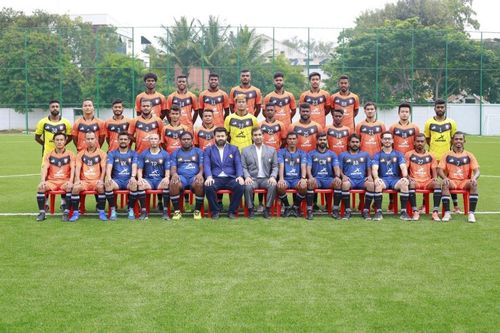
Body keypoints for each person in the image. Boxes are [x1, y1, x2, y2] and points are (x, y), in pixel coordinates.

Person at [424, 99, 461, 213]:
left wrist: (447, 150)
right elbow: (427, 138)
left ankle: (455, 206)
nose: (440, 109)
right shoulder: (429, 123)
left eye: (442, 107)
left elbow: (453, 138)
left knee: (449, 180)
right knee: (428, 181)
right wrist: (434, 149)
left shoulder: (451, 122)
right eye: (438, 107)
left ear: (445, 108)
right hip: (432, 157)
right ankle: (425, 206)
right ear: (434, 108)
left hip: (447, 158)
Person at [203, 127, 245, 219]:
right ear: (214, 137)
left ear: (226, 136)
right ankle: (215, 211)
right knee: (208, 186)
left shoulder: (234, 149)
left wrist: (240, 176)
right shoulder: (208, 150)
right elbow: (206, 165)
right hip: (215, 177)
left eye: (222, 136)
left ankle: (232, 211)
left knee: (240, 186)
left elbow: (238, 163)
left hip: (230, 178)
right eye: (218, 136)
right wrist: (209, 177)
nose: (220, 138)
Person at [438, 131, 480, 223]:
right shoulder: (447, 155)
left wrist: (474, 178)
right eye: (456, 139)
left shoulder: (469, 155)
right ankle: (447, 213)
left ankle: (471, 213)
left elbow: (477, 171)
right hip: (452, 181)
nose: (458, 141)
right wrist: (444, 177)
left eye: (460, 139)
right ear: (452, 141)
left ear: (464, 141)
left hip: (465, 181)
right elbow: (439, 169)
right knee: (445, 184)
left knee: (474, 184)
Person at [370, 131, 411, 221]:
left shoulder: (398, 154)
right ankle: (379, 212)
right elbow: (374, 169)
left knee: (404, 183)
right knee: (378, 184)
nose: (387, 140)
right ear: (382, 140)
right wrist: (376, 178)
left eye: (389, 139)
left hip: (395, 180)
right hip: (383, 179)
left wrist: (404, 177)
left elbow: (403, 167)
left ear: (392, 140)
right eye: (385, 139)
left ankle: (404, 212)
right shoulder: (378, 155)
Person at [35, 132, 75, 222]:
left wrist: (71, 181)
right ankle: (42, 213)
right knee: (40, 188)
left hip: (65, 181)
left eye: (61, 140)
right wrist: (42, 181)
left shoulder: (71, 154)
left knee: (69, 187)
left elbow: (73, 169)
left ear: (65, 141)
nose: (59, 142)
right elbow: (44, 168)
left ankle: (66, 213)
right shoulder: (49, 155)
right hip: (51, 182)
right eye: (57, 140)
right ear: (54, 141)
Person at [69, 131, 107, 222]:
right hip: (84, 181)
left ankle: (101, 212)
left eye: (92, 139)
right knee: (75, 188)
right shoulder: (80, 154)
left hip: (96, 180)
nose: (90, 141)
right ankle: (75, 213)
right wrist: (77, 180)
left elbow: (104, 168)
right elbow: (77, 168)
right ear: (85, 140)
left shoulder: (102, 154)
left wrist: (101, 180)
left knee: (101, 187)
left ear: (96, 140)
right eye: (88, 139)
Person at [241, 127, 278, 219]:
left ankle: (267, 209)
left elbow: (275, 166)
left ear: (263, 136)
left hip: (266, 178)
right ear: (252, 137)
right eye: (255, 135)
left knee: (273, 185)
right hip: (253, 179)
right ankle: (250, 209)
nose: (258, 137)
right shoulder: (245, 150)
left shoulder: (271, 150)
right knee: (247, 186)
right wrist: (247, 177)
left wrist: (273, 177)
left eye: (259, 135)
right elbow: (244, 167)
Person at [405, 133, 441, 221]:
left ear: (425, 142)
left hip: (427, 181)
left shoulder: (431, 155)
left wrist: (435, 178)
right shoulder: (409, 154)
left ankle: (435, 212)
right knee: (410, 184)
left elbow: (434, 169)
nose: (420, 143)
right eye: (418, 141)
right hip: (415, 181)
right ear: (414, 143)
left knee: (437, 184)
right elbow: (404, 169)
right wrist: (408, 177)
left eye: (422, 141)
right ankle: (415, 211)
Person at [169, 132, 205, 220]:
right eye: (184, 139)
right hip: (182, 178)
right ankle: (177, 211)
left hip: (194, 177)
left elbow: (202, 166)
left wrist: (200, 174)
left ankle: (197, 211)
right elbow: (173, 167)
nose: (186, 141)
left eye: (188, 139)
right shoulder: (175, 153)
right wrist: (174, 174)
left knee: (199, 182)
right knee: (174, 182)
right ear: (180, 141)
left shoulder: (198, 151)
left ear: (192, 140)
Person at [305, 132, 341, 220]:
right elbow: (308, 167)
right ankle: (310, 210)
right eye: (320, 140)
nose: (322, 141)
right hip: (317, 179)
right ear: (317, 141)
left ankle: (335, 210)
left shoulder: (332, 154)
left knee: (338, 183)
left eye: (324, 140)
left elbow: (336, 167)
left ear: (327, 141)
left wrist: (337, 176)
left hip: (328, 179)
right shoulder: (311, 154)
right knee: (310, 183)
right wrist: (310, 177)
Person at [104, 132, 138, 220]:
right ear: (118, 140)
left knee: (134, 184)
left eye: (125, 139)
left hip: (128, 180)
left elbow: (134, 165)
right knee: (108, 184)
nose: (123, 141)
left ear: (129, 141)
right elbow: (109, 166)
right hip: (117, 181)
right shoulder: (112, 153)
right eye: (121, 139)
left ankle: (130, 209)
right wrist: (108, 177)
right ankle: (113, 210)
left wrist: (133, 177)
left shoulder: (133, 153)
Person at [136, 133, 171, 220]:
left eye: (155, 139)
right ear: (149, 141)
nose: (153, 141)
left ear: (159, 141)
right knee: (140, 184)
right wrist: (140, 178)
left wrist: (167, 178)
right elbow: (139, 169)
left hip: (160, 180)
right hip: (149, 180)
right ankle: (144, 212)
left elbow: (167, 169)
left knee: (167, 184)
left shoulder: (165, 154)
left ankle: (165, 212)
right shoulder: (143, 154)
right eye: (151, 139)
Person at [338, 134, 372, 220]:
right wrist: (343, 176)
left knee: (371, 185)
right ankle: (348, 211)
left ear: (360, 143)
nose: (355, 144)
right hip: (350, 180)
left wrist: (370, 176)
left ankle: (365, 210)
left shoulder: (365, 155)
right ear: (349, 143)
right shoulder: (342, 155)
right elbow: (339, 169)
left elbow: (369, 168)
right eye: (353, 142)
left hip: (361, 180)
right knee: (345, 184)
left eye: (357, 142)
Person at [277, 132, 308, 217]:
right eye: (290, 139)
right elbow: (281, 165)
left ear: (297, 140)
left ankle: (295, 207)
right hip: (286, 179)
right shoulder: (281, 152)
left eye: (294, 139)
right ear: (287, 140)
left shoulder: (302, 153)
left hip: (296, 180)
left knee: (304, 186)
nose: (292, 141)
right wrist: (281, 178)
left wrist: (303, 178)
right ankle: (287, 207)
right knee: (280, 186)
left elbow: (303, 166)